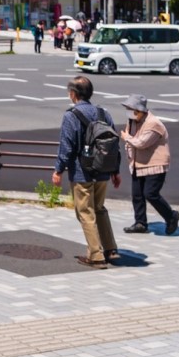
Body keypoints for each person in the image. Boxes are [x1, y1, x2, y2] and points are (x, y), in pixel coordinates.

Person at [52, 75, 121, 269]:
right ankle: (111, 249)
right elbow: (114, 143)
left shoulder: (71, 116)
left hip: (82, 173)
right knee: (100, 209)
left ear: (73, 94)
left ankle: (96, 255)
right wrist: (115, 170)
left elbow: (67, 147)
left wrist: (58, 170)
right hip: (103, 170)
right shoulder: (103, 113)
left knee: (85, 212)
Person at [120, 94, 179, 235]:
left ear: (140, 110)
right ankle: (140, 223)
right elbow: (131, 143)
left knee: (150, 194)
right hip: (137, 163)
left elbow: (141, 143)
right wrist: (129, 156)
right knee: (137, 195)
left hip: (155, 164)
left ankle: (171, 216)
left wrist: (126, 138)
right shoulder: (132, 121)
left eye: (131, 109)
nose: (129, 112)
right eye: (128, 108)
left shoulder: (153, 123)